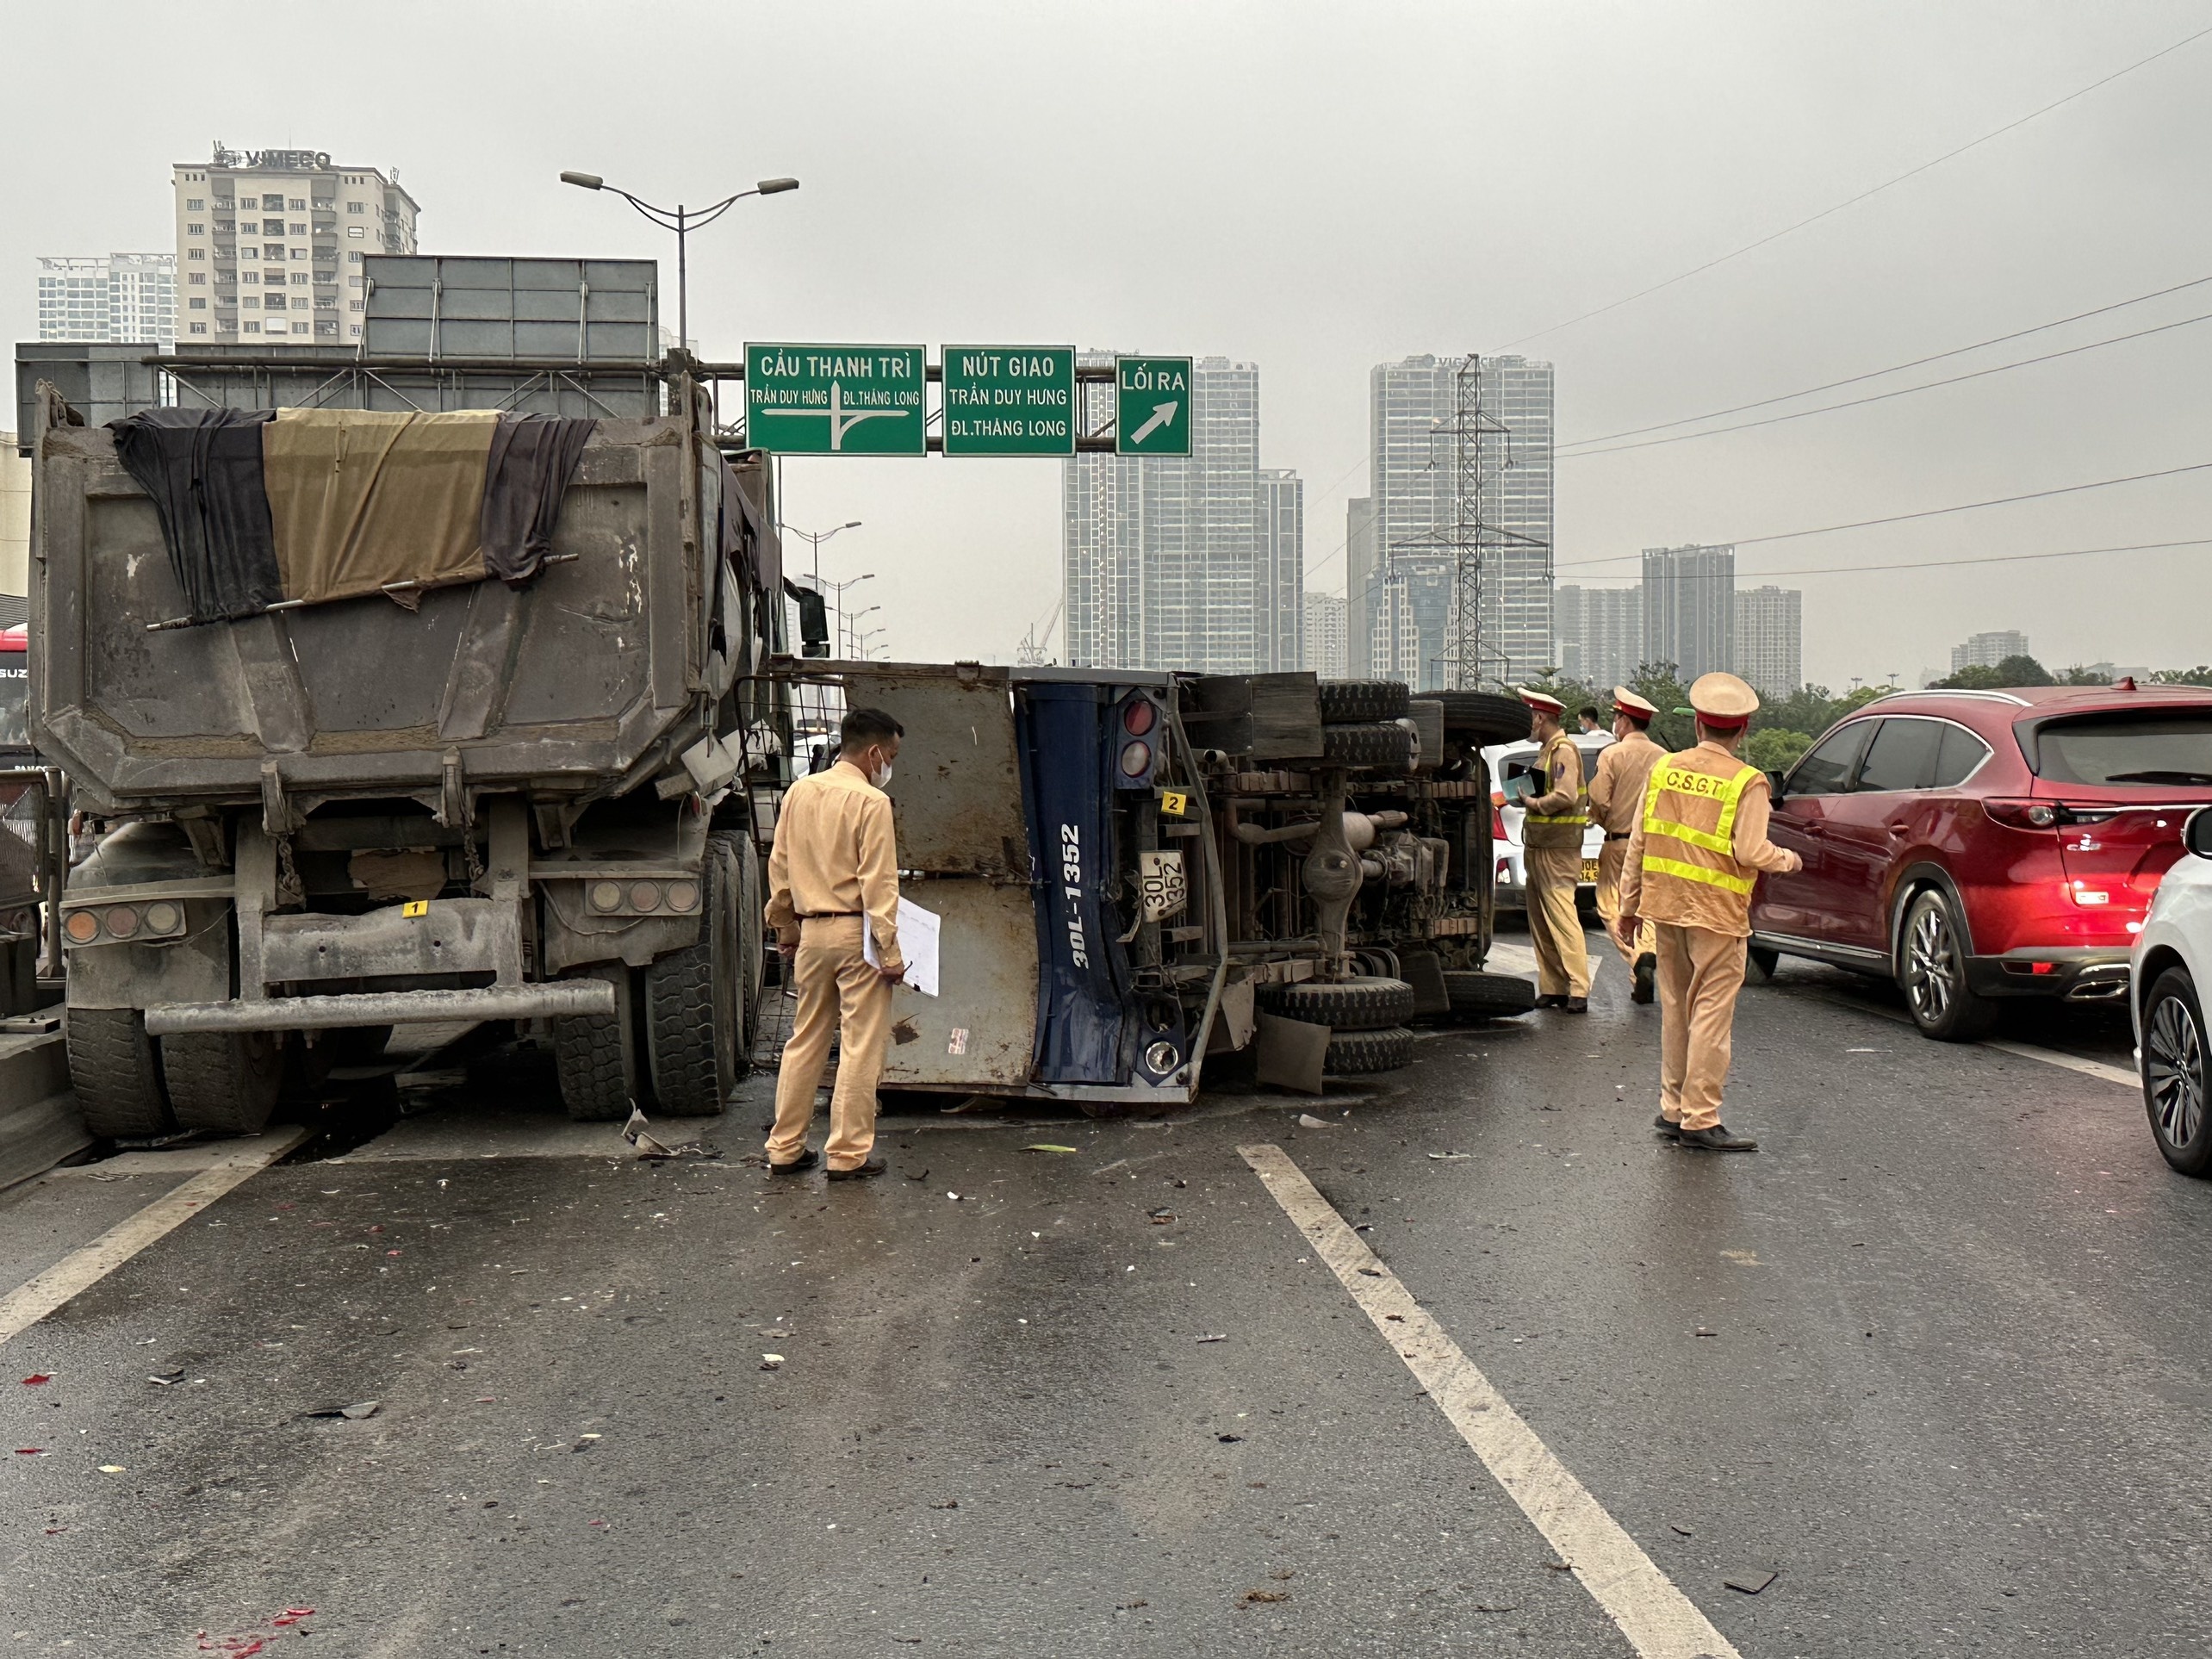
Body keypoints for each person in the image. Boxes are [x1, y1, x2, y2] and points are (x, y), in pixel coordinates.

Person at [1613, 673, 1802, 1151]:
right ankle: (1701, 1118)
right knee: (1711, 1016)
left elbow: (1639, 841)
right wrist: (1790, 859)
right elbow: (1752, 851)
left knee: (1676, 1009)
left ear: (1698, 724)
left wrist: (1627, 906)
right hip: (1717, 914)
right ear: (1743, 731)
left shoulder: (1665, 771)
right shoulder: (1748, 782)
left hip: (1665, 906)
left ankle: (1673, 1110)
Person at [762, 706, 907, 1179]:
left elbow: (779, 866)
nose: (890, 765)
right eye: (891, 755)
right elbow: (879, 883)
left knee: (805, 1040)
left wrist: (785, 927)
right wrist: (889, 952)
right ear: (873, 752)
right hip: (855, 934)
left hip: (812, 934)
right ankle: (847, 1157)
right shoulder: (871, 803)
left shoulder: (799, 793)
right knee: (861, 1046)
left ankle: (784, 1149)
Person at [1586, 687, 1666, 1004]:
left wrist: (1600, 817)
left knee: (1610, 906)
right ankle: (1646, 960)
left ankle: (1637, 957)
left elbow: (1600, 798)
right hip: (1655, 847)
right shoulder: (1664, 758)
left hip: (1619, 844)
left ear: (1623, 721)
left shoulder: (1612, 754)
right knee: (1647, 909)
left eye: (1616, 718)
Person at [1513, 687, 1591, 1012]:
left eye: (1529, 716)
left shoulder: (1563, 751)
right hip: (1539, 846)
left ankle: (1578, 989)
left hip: (1558, 851)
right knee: (1541, 922)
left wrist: (1532, 802)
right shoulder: (1546, 751)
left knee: (1561, 917)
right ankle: (1553, 986)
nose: (1527, 723)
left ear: (1540, 717)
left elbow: (1565, 795)